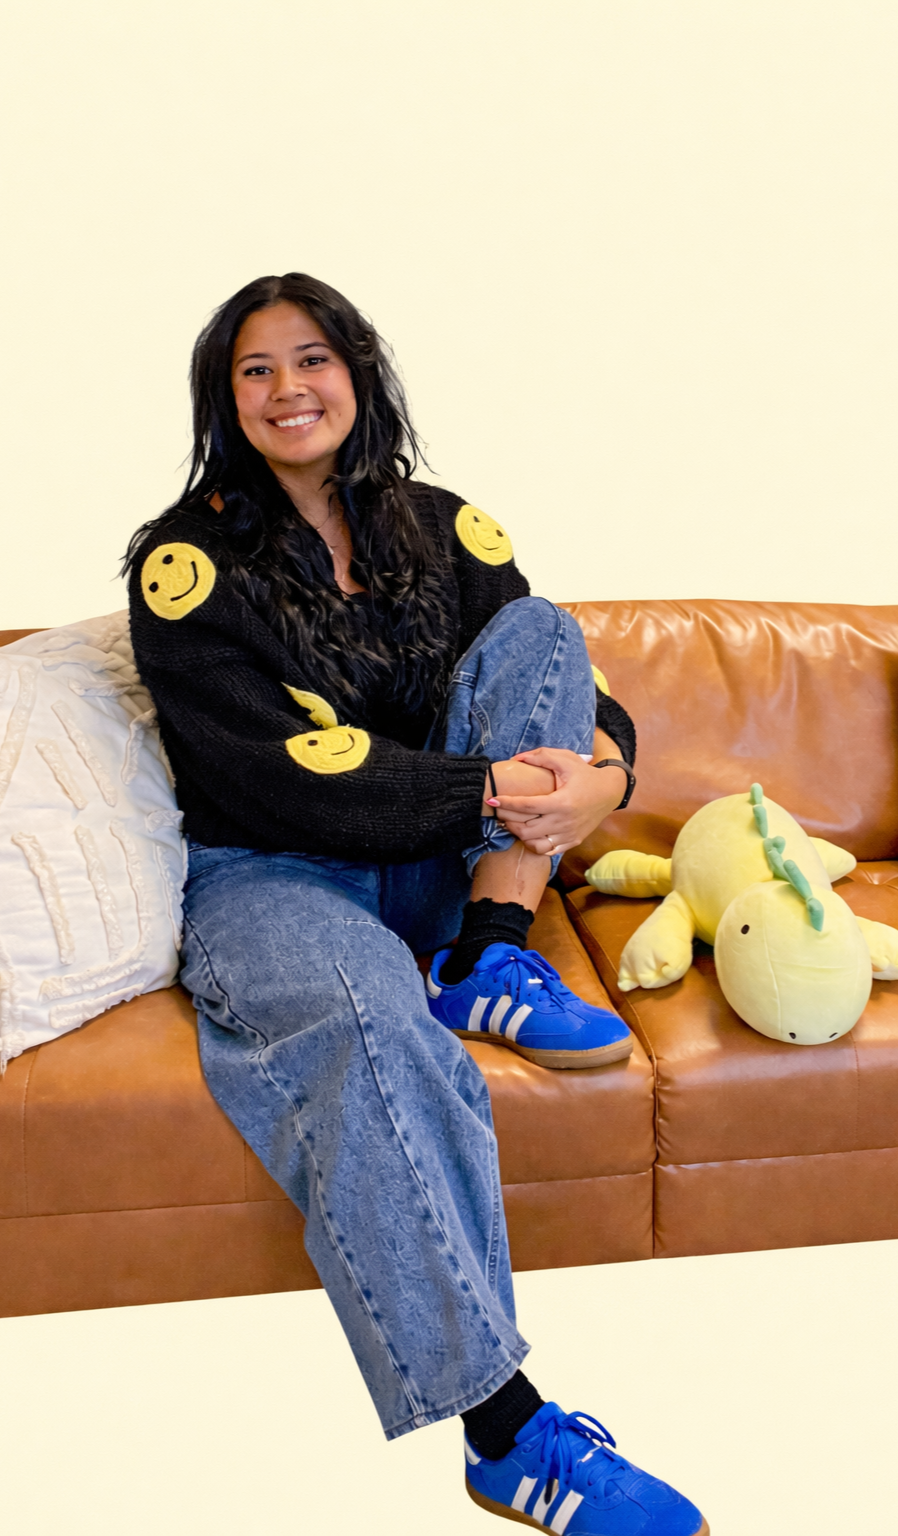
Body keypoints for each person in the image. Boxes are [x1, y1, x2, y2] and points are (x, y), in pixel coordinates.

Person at [125, 272, 707, 1536]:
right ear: (224, 400)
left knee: (544, 630)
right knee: (377, 1029)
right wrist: (494, 786)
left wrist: (605, 777)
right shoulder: (184, 560)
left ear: (359, 371)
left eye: (312, 358)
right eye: (257, 369)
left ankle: (493, 954)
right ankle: (506, 1433)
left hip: (453, 865)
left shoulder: (443, 523)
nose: (289, 389)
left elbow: (558, 687)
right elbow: (276, 775)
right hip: (277, 875)